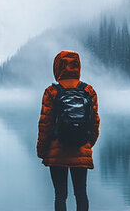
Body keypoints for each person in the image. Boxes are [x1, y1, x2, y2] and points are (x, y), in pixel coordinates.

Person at [37, 51, 100, 211]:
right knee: (81, 193)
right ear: (78, 66)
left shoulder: (51, 91)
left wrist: (42, 150)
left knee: (60, 196)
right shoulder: (89, 90)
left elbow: (45, 124)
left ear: (57, 67)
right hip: (81, 148)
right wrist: (86, 144)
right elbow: (95, 123)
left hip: (57, 151)